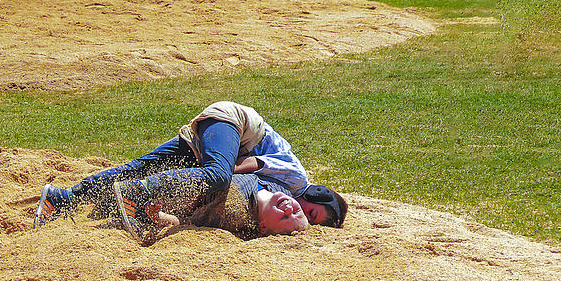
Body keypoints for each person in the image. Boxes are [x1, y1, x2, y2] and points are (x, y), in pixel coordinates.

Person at [34, 101, 346, 240]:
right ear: (315, 198)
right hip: (233, 124)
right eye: (313, 215)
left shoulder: (274, 206)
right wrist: (209, 173)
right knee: (219, 175)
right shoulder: (296, 181)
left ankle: (62, 198)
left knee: (135, 169)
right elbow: (248, 166)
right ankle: (140, 192)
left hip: (208, 148)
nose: (305, 216)